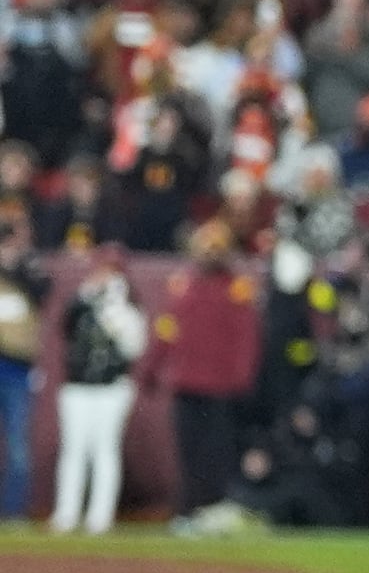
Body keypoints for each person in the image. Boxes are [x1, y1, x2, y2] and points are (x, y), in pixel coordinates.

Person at [155, 225, 262, 517]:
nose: (209, 254)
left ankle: (215, 511)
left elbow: (246, 336)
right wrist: (151, 368)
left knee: (217, 454)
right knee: (188, 453)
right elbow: (166, 327)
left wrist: (241, 378)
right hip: (186, 383)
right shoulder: (182, 284)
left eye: (215, 248)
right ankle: (188, 512)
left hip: (220, 387)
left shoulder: (237, 287)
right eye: (205, 247)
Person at [51, 256, 145, 533]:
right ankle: (66, 514)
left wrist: (114, 307)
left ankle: (99, 518)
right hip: (77, 386)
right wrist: (87, 294)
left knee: (105, 451)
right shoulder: (82, 306)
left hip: (111, 388)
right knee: (73, 451)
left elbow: (133, 347)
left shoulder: (128, 312)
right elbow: (64, 325)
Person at [0, 220, 40, 523]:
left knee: (18, 446)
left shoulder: (28, 272)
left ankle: (13, 512)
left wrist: (15, 265)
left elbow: (42, 291)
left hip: (17, 368)